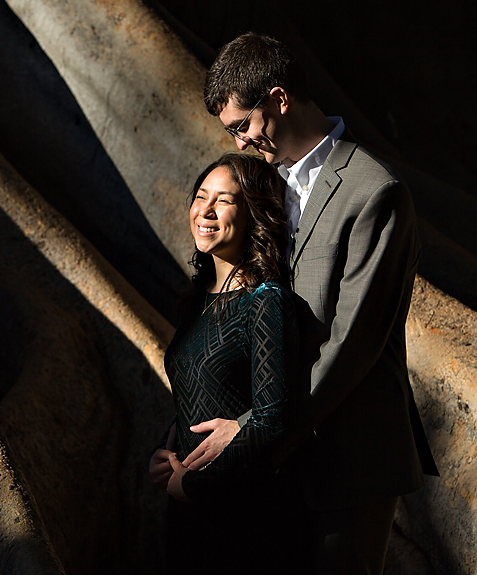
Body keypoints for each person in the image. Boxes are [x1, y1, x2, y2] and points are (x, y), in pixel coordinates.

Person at [187, 32, 438, 573]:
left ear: (279, 99)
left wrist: (255, 426)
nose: (240, 141)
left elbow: (352, 343)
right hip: (279, 460)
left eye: (242, 126)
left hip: (350, 455)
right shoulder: (264, 188)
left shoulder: (375, 192)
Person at [148, 151, 306, 574]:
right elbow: (197, 392)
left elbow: (271, 419)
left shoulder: (265, 300)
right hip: (187, 507)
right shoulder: (195, 302)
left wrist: (194, 485)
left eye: (225, 200)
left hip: (243, 513)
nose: (206, 210)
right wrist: (166, 449)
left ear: (253, 213)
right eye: (201, 196)